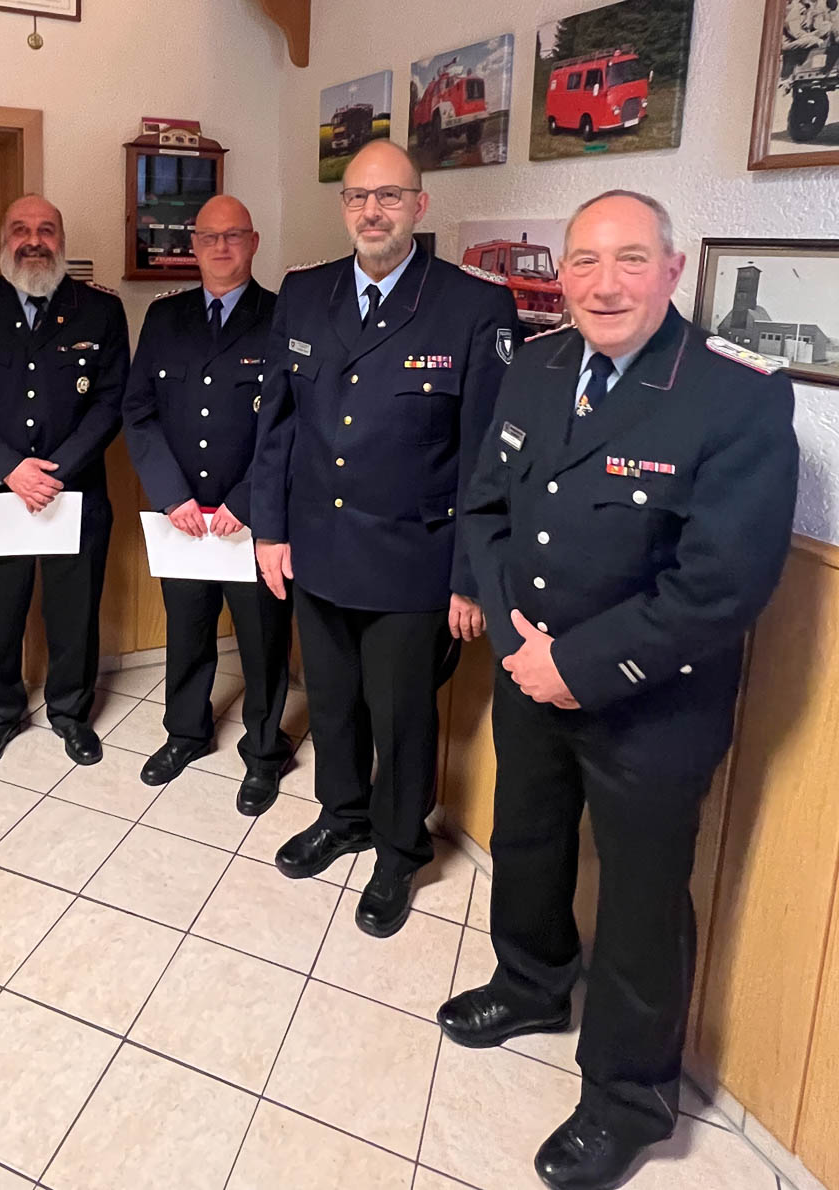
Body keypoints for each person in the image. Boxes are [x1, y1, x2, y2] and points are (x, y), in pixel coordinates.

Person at [438, 190, 798, 1190]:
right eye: (585, 262)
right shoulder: (538, 365)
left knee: (641, 901)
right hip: (528, 672)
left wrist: (580, 665)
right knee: (527, 838)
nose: (604, 284)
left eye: (630, 259)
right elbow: (487, 508)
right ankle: (530, 982)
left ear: (673, 271)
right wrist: (518, 639)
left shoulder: (735, 395)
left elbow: (722, 585)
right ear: (562, 275)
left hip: (652, 702)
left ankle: (629, 1098)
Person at [251, 140, 520, 937]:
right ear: (344, 207)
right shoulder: (305, 293)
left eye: (390, 196)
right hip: (317, 546)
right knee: (332, 701)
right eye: (358, 197)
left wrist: (471, 576)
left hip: (414, 559)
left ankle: (400, 851)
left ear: (418, 206)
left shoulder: (472, 307)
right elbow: (277, 426)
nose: (372, 211)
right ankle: (343, 816)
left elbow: (486, 458)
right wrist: (269, 531)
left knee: (401, 716)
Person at [0, 194, 129, 775]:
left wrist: (56, 471)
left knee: (75, 609)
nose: (34, 240)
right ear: (4, 239)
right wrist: (10, 469)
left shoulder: (100, 309)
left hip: (74, 488)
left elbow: (111, 402)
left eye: (46, 229)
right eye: (21, 229)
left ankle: (71, 713)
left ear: (61, 240)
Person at [123, 195, 293, 813]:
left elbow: (291, 422)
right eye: (209, 237)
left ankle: (265, 751)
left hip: (253, 518)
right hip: (186, 520)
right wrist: (172, 496)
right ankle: (186, 733)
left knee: (263, 642)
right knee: (187, 630)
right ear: (192, 246)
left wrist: (245, 500)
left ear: (254, 243)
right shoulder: (165, 318)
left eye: (234, 236)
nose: (222, 247)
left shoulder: (282, 318)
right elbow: (139, 412)